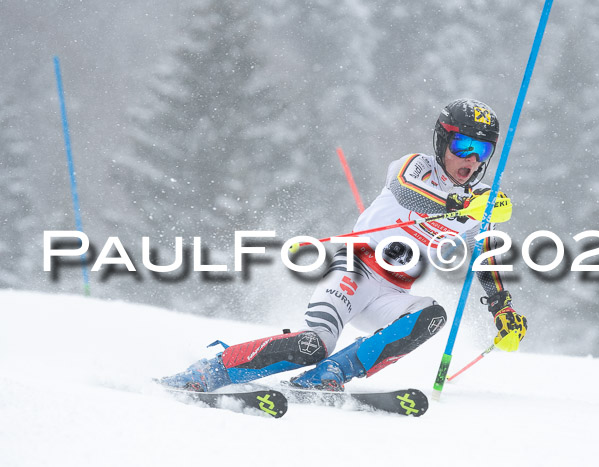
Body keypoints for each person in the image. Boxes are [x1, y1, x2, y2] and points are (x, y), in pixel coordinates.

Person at [160, 98, 528, 392]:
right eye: (462, 145)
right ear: (442, 141)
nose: (471, 160)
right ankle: (211, 371)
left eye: (482, 150)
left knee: (431, 315)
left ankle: (331, 374)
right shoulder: (416, 168)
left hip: (392, 292)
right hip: (354, 270)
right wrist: (463, 206)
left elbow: (485, 253)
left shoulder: (480, 203)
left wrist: (502, 308)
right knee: (315, 344)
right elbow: (409, 195)